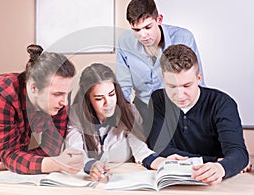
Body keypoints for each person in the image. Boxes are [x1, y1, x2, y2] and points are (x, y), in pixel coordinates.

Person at [0, 44, 84, 175]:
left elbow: (49, 150)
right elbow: (12, 156)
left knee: (16, 169)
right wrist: (58, 163)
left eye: (67, 94)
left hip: (18, 122)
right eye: (57, 94)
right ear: (34, 88)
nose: (65, 102)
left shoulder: (59, 103)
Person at [147, 44, 251, 185]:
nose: (179, 95)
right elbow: (160, 148)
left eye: (186, 85)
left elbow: (238, 153)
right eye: (171, 86)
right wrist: (213, 160)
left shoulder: (222, 103)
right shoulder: (158, 100)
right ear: (164, 81)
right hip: (174, 181)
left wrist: (221, 167)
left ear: (199, 78)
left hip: (217, 183)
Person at [65, 63, 186, 181]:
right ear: (87, 99)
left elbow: (141, 151)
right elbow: (75, 153)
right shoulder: (76, 114)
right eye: (99, 98)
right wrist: (90, 165)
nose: (108, 102)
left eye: (111, 94)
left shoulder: (130, 113)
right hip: (88, 182)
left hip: (123, 180)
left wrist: (165, 162)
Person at [116, 0, 205, 133]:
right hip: (142, 109)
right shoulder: (124, 42)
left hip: (175, 107)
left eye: (148, 27)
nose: (143, 35)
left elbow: (196, 82)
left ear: (159, 19)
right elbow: (123, 85)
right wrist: (126, 113)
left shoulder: (183, 37)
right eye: (136, 30)